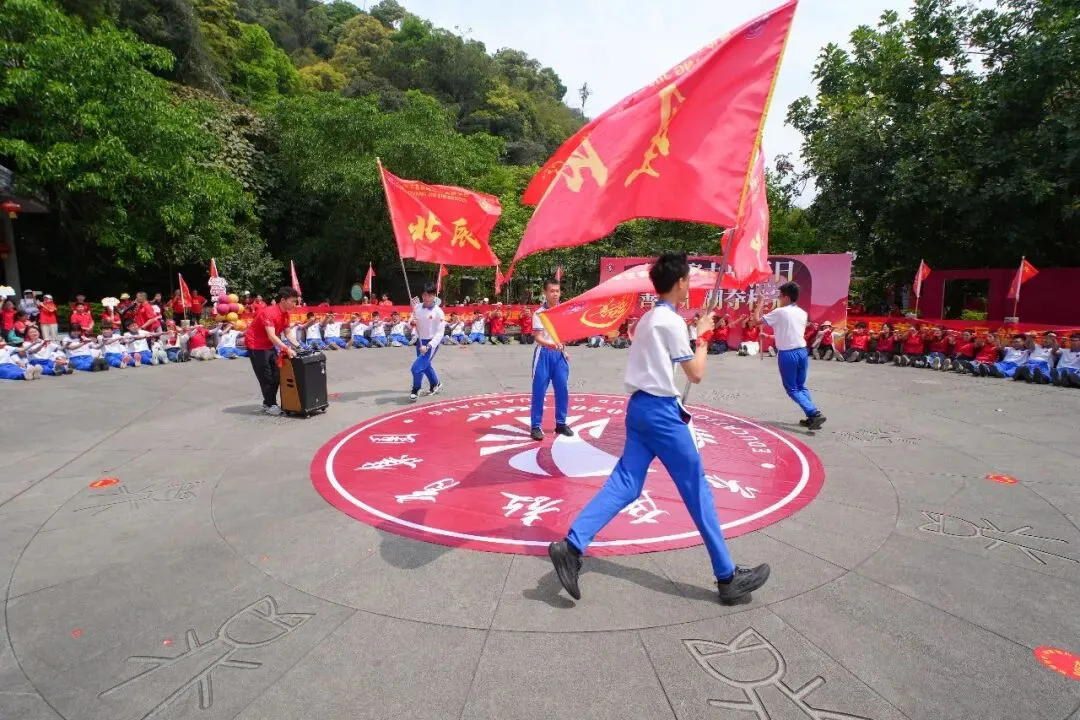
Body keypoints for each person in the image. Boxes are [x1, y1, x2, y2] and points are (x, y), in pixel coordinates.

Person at [548, 253, 771, 604]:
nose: (689, 286)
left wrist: (695, 331)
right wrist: (702, 337)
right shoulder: (671, 323)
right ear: (680, 282)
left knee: (626, 483)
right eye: (688, 280)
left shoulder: (650, 319)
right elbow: (695, 373)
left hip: (638, 409)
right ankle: (727, 576)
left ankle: (572, 546)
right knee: (697, 490)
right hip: (663, 415)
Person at [751, 282, 826, 430]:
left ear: (786, 296)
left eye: (780, 295)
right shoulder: (802, 313)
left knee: (791, 388)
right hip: (802, 352)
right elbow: (790, 334)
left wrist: (760, 303)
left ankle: (814, 413)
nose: (779, 298)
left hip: (788, 355)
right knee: (800, 386)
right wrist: (769, 336)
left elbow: (754, 322)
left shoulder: (780, 312)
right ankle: (811, 417)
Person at [243, 287, 300, 415]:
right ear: (283, 300)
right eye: (292, 301)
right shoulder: (269, 312)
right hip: (255, 345)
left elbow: (288, 332)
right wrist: (286, 349)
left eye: (295, 301)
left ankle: (267, 402)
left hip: (268, 345)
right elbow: (272, 335)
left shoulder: (286, 313)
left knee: (277, 374)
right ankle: (270, 404)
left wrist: (298, 345)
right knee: (266, 376)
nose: (294, 304)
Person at [530, 279, 573, 442]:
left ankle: (561, 423)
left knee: (562, 389)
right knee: (539, 390)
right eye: (552, 291)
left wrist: (564, 350)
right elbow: (538, 338)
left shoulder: (563, 311)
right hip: (544, 355)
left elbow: (562, 335)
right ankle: (535, 426)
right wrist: (552, 345)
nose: (555, 294)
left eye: (557, 291)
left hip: (559, 355)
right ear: (545, 293)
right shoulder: (539, 313)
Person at [409, 283, 446, 401]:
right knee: (425, 365)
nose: (427, 298)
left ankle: (416, 389)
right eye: (425, 295)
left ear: (434, 296)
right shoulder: (417, 307)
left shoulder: (438, 312)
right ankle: (435, 384)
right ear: (422, 295)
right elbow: (410, 321)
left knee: (416, 368)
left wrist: (429, 346)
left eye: (430, 295)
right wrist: (412, 322)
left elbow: (440, 333)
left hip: (431, 343)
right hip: (420, 340)